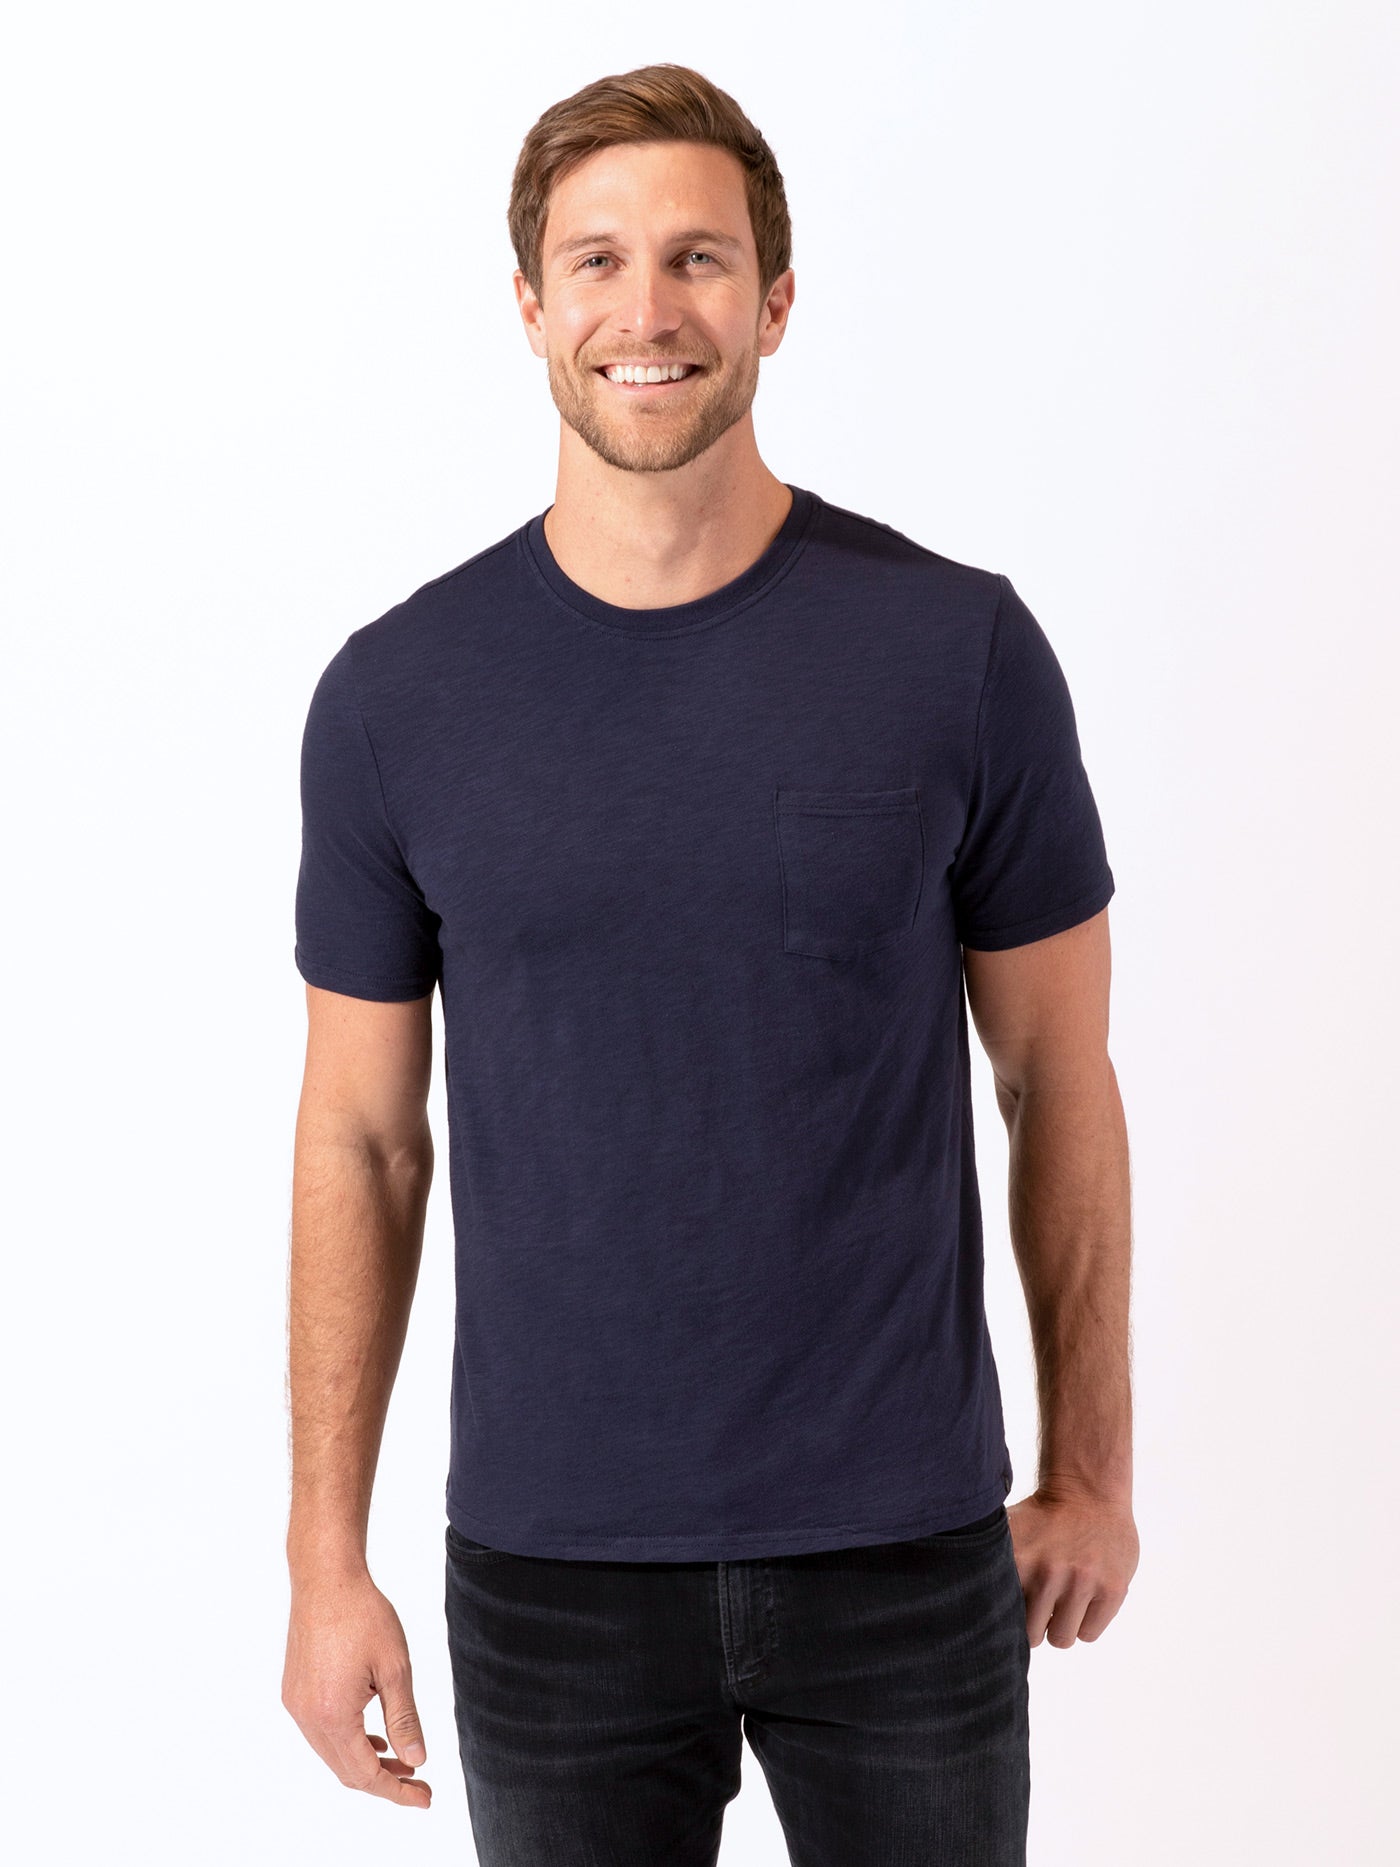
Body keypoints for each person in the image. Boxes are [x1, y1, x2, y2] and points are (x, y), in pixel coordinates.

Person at [280, 61, 1138, 1867]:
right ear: (530, 308)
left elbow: (1057, 1074)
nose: (648, 309)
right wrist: (322, 1560)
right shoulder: (397, 699)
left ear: (776, 300)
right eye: (595, 262)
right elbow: (361, 1139)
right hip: (553, 1570)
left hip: (903, 1552)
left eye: (698, 258)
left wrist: (1094, 1471)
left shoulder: (958, 652)